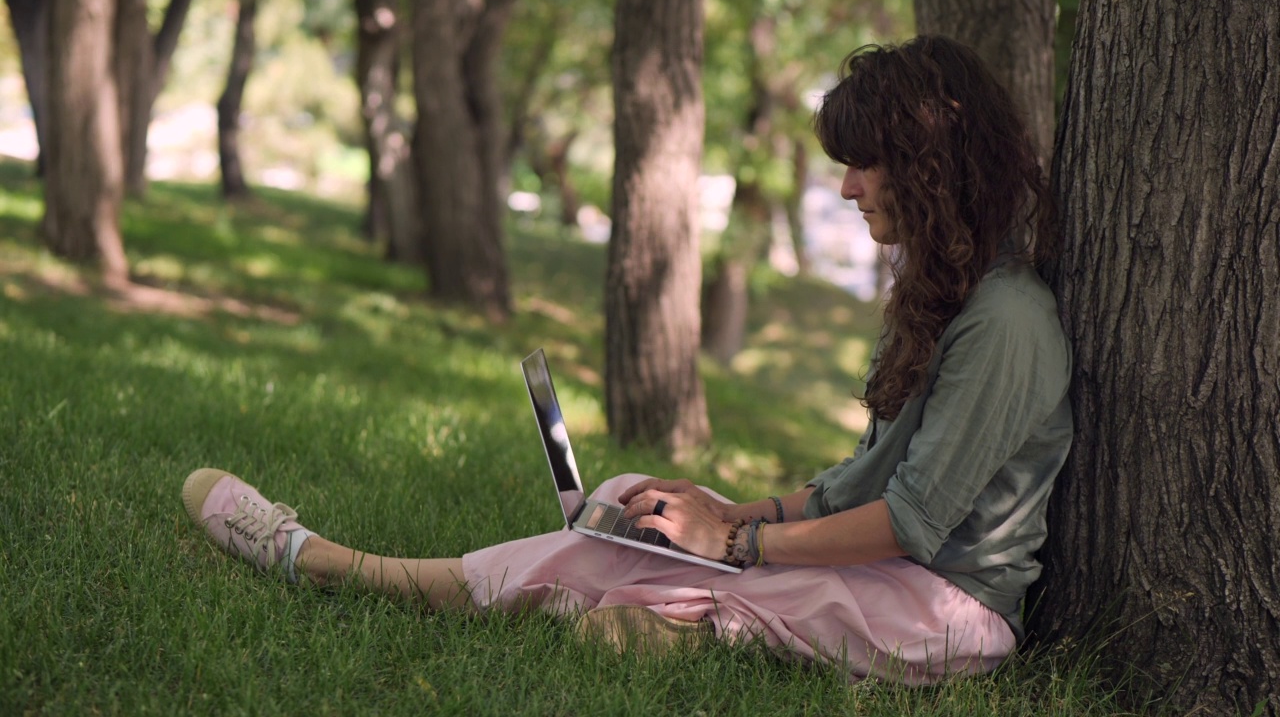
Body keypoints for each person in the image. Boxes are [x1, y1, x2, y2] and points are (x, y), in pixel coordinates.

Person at [181, 34, 1071, 685]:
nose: (845, 188)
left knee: (642, 561)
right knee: (627, 501)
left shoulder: (1007, 322)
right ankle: (636, 615)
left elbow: (911, 523)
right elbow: (863, 482)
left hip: (945, 613)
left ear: (929, 161)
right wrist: (730, 509)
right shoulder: (938, 296)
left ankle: (333, 564)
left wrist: (737, 541)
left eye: (865, 164)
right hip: (886, 575)